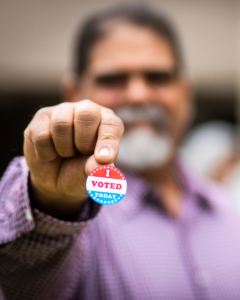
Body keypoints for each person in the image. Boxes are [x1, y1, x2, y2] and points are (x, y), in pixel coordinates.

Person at [1, 5, 240, 300]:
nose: (138, 94)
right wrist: (51, 199)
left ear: (185, 92)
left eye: (157, 77)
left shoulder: (230, 213)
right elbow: (22, 280)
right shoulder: (74, 222)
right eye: (112, 79)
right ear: (74, 93)